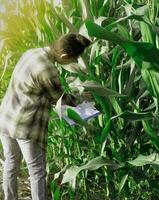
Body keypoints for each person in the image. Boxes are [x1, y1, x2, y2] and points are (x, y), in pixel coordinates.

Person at [0, 33, 91, 200]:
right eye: (73, 59)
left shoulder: (31, 52)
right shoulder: (48, 69)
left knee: (11, 165)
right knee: (37, 172)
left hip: (6, 119)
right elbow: (61, 99)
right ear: (64, 56)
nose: (72, 63)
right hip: (25, 126)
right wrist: (83, 99)